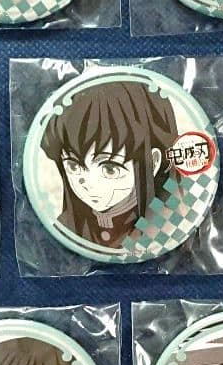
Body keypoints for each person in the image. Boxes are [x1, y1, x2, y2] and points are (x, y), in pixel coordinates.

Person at [40, 79, 178, 248]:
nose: (88, 184)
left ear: (153, 162)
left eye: (110, 169)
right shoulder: (67, 226)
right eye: (74, 166)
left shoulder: (167, 220)